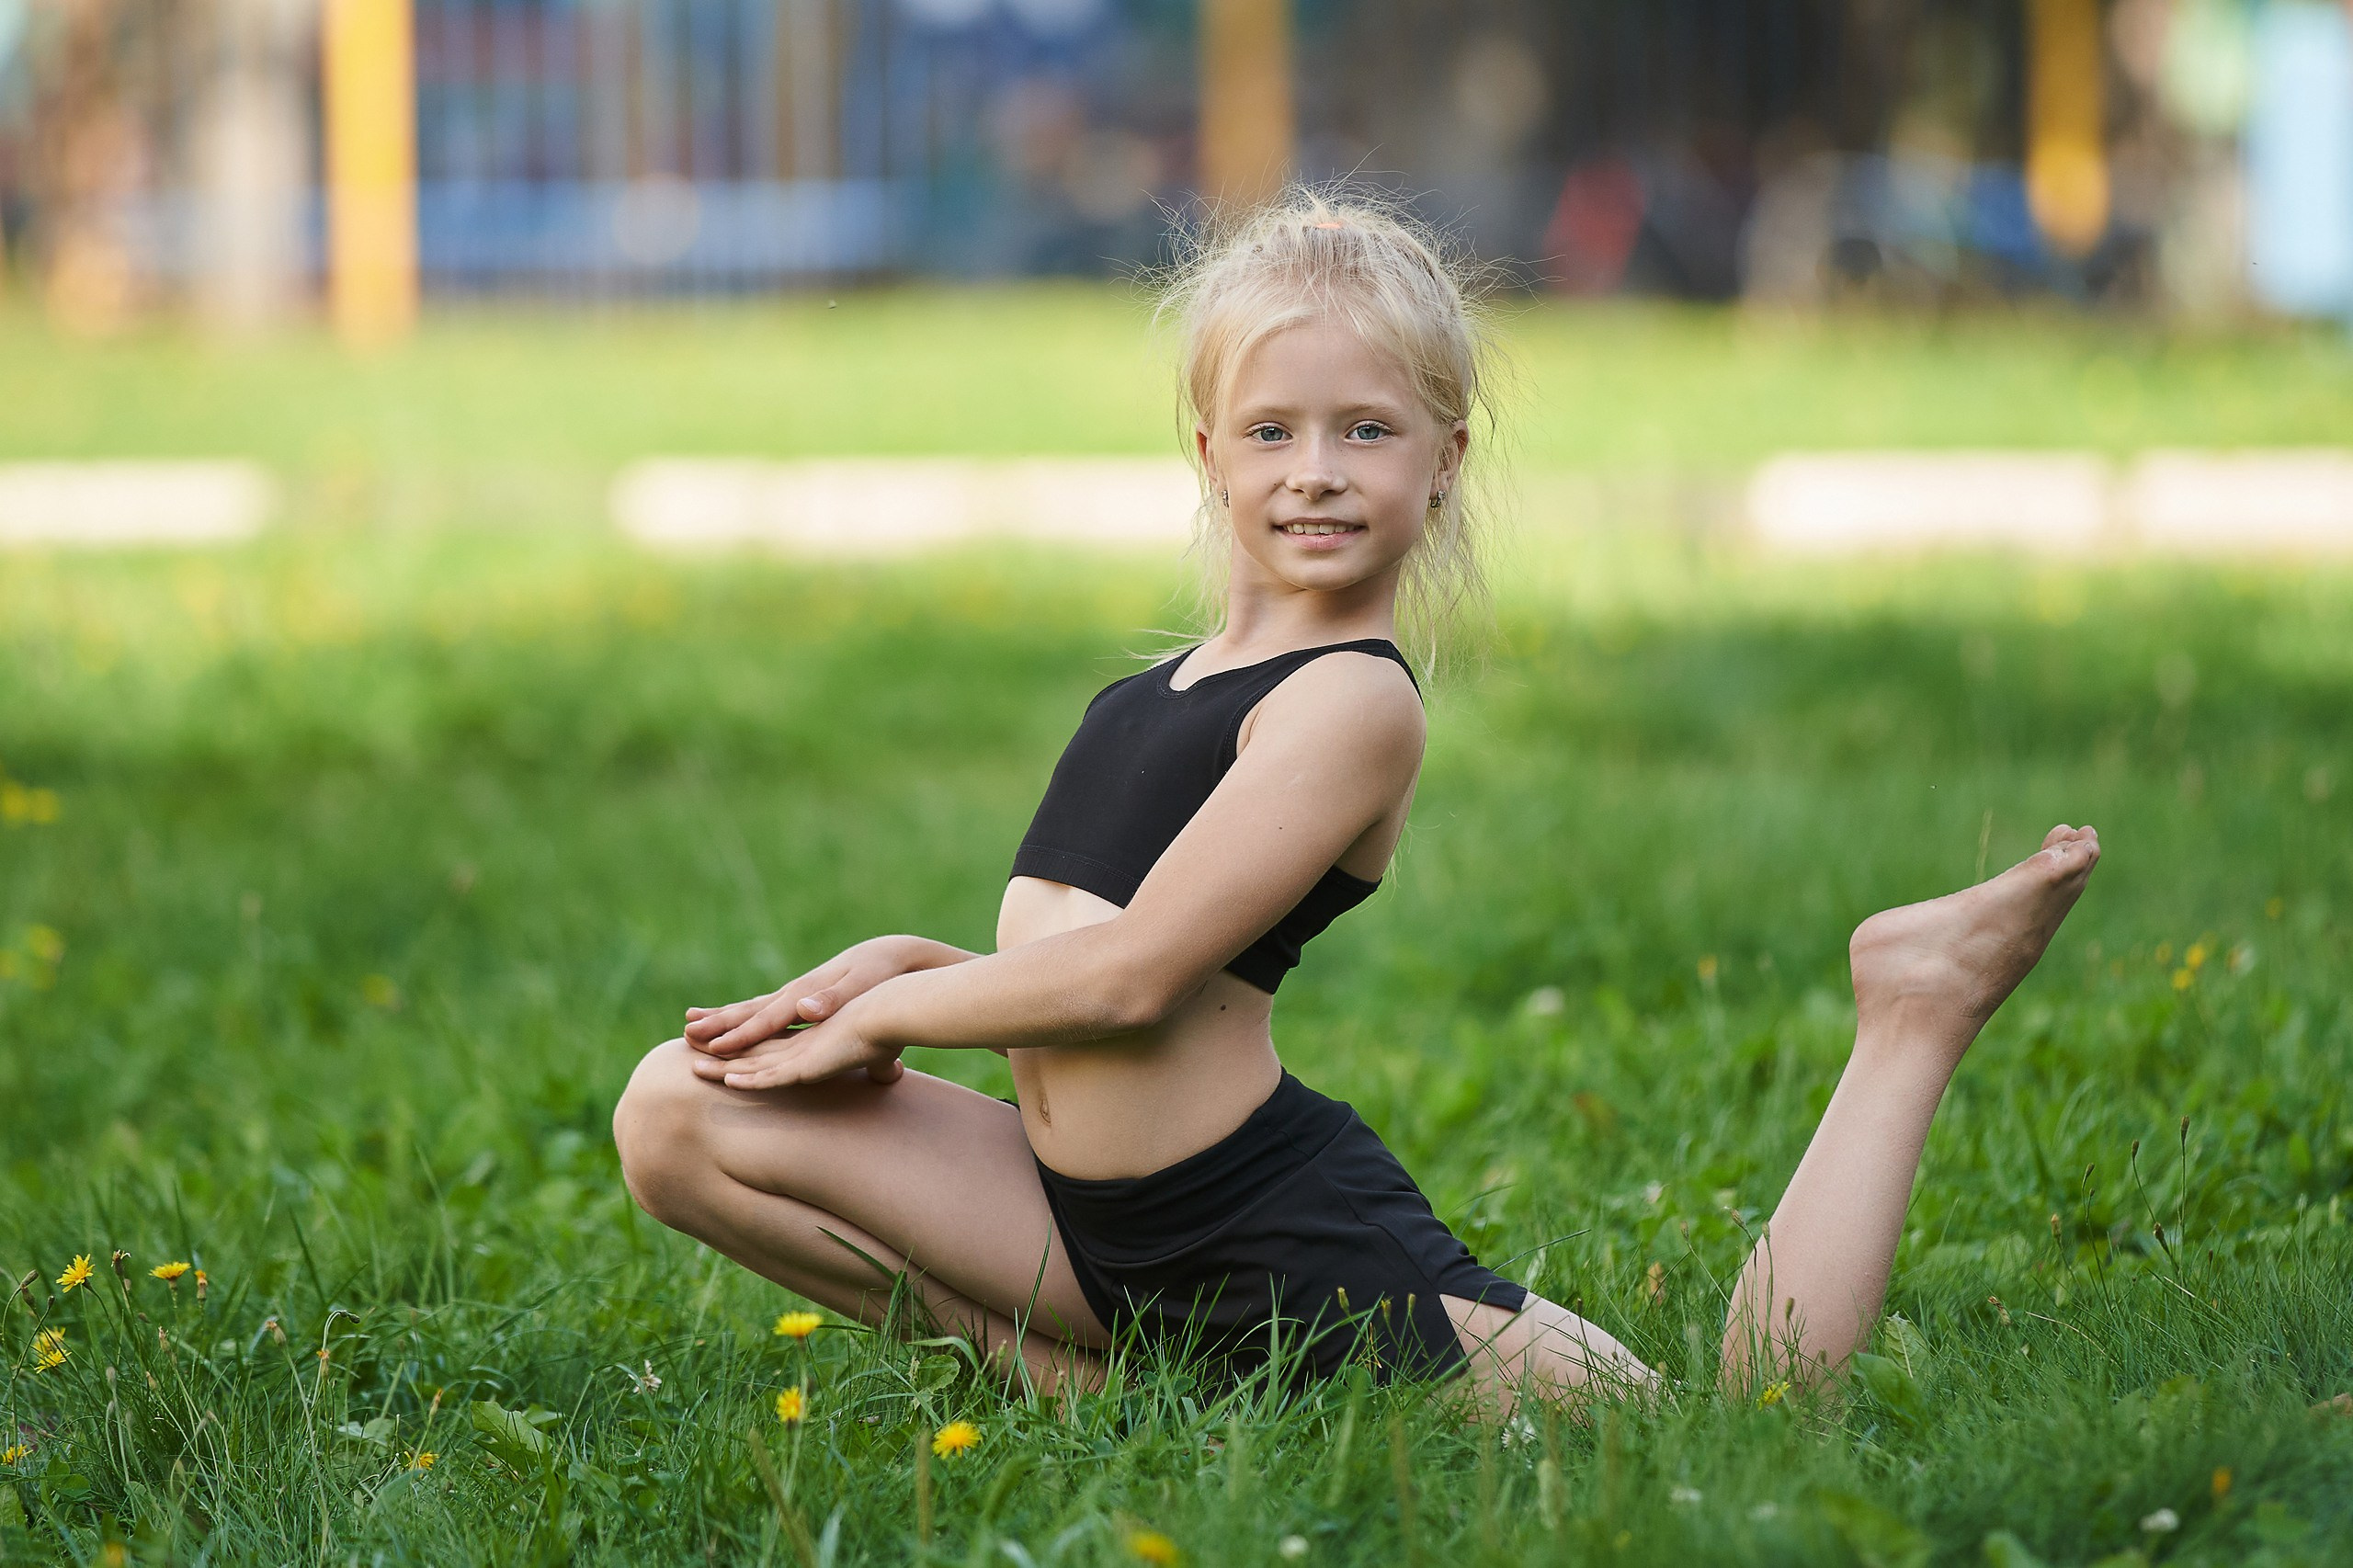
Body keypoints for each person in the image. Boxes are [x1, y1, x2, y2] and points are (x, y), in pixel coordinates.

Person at [611, 188, 2101, 1405]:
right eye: (1273, 432)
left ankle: (1911, 1011)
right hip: (1073, 1218)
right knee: (674, 1111)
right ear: (1209, 454)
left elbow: (1132, 980)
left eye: (1366, 431)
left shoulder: (1351, 702)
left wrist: (888, 1015)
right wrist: (899, 963)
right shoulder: (1146, 694)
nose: (1315, 472)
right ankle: (1093, 1390)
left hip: (1267, 1240)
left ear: (1445, 462)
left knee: (1722, 1422)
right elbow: (1074, 973)